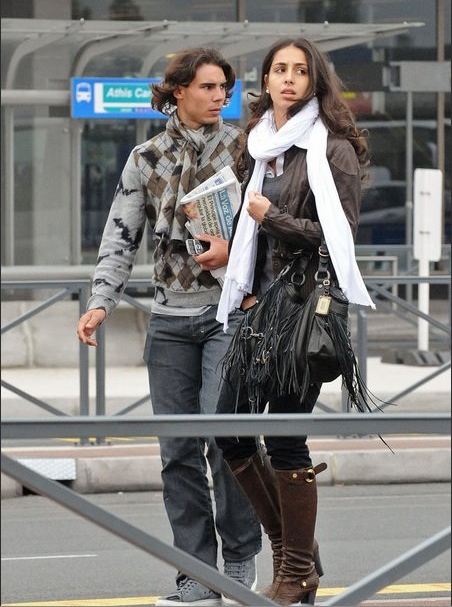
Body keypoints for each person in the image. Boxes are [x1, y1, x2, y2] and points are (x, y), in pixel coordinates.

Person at [76, 47, 261, 606]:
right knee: (177, 451)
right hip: (169, 321)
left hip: (229, 313)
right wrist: (101, 300)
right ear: (178, 90)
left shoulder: (246, 148)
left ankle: (240, 555)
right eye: (208, 87)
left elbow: (267, 225)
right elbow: (119, 235)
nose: (220, 97)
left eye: (225, 88)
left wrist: (233, 248)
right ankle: (195, 573)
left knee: (226, 439)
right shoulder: (145, 157)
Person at [214, 37, 374, 606]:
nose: (288, 78)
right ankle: (293, 553)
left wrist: (271, 217)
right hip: (255, 308)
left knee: (285, 438)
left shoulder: (332, 149)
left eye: (300, 71)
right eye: (279, 69)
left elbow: (339, 239)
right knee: (229, 431)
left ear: (314, 81)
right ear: (266, 79)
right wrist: (230, 247)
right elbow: (250, 230)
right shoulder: (257, 145)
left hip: (304, 310)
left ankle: (295, 567)